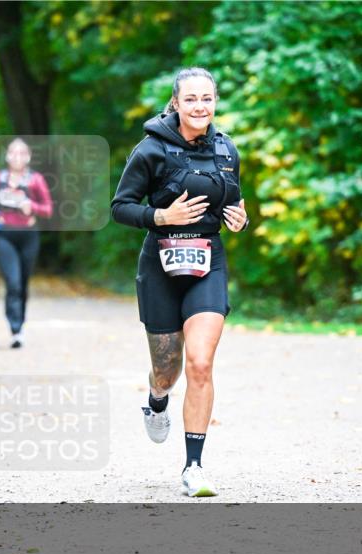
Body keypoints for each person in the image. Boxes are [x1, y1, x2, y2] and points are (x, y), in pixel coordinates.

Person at [111, 67, 249, 497]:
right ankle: (156, 399)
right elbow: (120, 207)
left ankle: (194, 467)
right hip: (161, 268)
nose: (199, 107)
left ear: (215, 102)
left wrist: (241, 219)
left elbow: (235, 202)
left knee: (201, 364)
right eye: (191, 99)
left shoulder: (227, 150)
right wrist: (161, 216)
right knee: (167, 371)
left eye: (207, 99)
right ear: (176, 103)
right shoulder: (150, 151)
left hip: (208, 262)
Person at [0, 138, 53, 348]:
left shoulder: (35, 180)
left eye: (22, 153)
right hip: (4, 236)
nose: (17, 157)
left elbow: (47, 209)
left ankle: (20, 324)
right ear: (7, 156)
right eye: (13, 152)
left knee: (22, 283)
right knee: (12, 283)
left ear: (28, 157)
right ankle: (15, 329)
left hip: (28, 236)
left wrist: (31, 206)